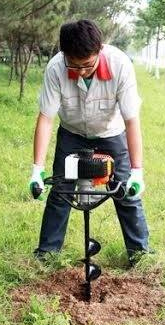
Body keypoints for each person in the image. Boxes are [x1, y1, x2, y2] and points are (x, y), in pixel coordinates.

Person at [29, 19, 151, 265]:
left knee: (125, 192)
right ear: (64, 55)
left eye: (86, 65)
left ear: (99, 50)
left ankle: (140, 254)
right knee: (60, 192)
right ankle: (46, 254)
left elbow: (131, 121)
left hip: (111, 133)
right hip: (72, 133)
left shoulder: (120, 65)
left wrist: (137, 172)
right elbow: (45, 119)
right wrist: (36, 170)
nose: (80, 71)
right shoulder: (55, 69)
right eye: (73, 65)